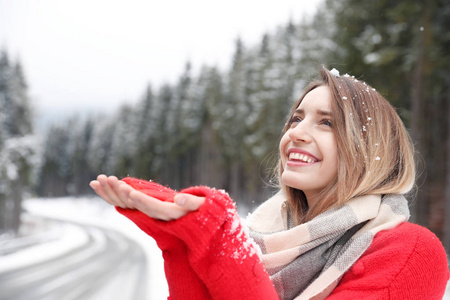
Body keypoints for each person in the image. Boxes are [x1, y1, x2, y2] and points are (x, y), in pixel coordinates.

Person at [90, 67, 449, 300]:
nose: (297, 133)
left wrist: (218, 239)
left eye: (327, 123)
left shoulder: (410, 252)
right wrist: (181, 240)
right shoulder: (261, 237)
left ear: (373, 149)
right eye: (296, 118)